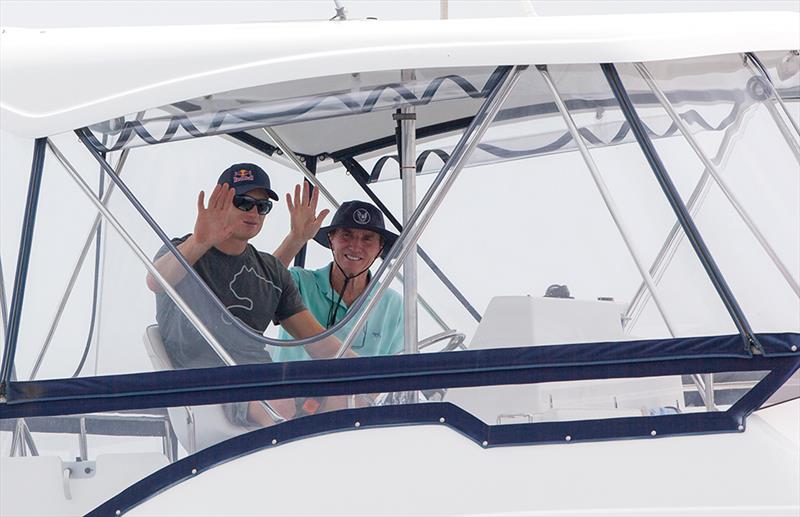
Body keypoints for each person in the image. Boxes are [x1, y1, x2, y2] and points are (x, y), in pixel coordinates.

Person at [146, 163, 348, 427]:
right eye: (243, 203)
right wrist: (200, 240)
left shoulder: (272, 270)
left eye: (262, 207)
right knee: (279, 403)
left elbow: (320, 344)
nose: (254, 212)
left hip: (264, 378)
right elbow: (155, 281)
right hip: (207, 384)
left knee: (343, 398)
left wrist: (376, 376)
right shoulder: (183, 253)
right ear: (220, 203)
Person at [271, 182, 404, 362]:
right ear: (331, 239)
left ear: (380, 249)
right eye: (346, 235)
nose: (356, 246)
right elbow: (257, 284)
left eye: (367, 239)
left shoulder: (393, 304)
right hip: (292, 390)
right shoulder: (298, 281)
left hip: (361, 391)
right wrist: (296, 238)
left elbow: (397, 373)